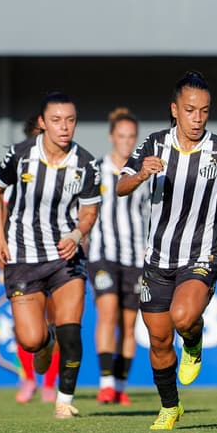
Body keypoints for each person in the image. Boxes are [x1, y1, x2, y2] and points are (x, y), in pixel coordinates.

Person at [116, 71, 217, 430]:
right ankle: (170, 407)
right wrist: (141, 175)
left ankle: (194, 338)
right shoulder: (154, 145)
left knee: (183, 317)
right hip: (157, 260)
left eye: (204, 111)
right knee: (158, 342)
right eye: (190, 110)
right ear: (175, 110)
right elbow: (121, 186)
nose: (198, 118)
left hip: (201, 254)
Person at [0, 92, 101, 419]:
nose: (64, 127)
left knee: (71, 329)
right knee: (31, 339)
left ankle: (64, 401)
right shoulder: (19, 156)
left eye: (70, 120)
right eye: (56, 120)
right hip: (23, 257)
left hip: (65, 257)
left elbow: (90, 212)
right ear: (42, 123)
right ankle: (45, 341)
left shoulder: (86, 164)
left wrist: (77, 234)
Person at [87, 107, 149, 406]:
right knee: (107, 312)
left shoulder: (143, 174)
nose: (126, 141)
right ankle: (106, 383)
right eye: (121, 136)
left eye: (131, 137)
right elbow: (84, 210)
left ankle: (121, 385)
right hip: (102, 253)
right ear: (112, 137)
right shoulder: (96, 170)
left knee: (128, 323)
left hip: (136, 256)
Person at [7, 115, 60, 405]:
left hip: (55, 258)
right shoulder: (16, 171)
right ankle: (28, 380)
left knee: (54, 323)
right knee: (25, 326)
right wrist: (0, 244)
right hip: (22, 258)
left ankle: (49, 384)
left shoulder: (66, 169)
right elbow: (4, 209)